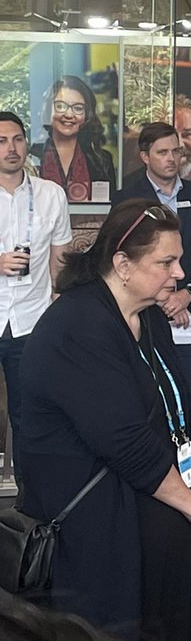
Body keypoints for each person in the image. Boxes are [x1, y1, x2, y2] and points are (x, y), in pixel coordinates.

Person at [19, 199, 191, 640]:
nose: (180, 273)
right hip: (101, 535)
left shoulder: (149, 317)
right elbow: (126, 443)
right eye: (167, 261)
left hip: (165, 515)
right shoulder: (79, 326)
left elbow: (186, 414)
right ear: (122, 263)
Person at [111, 123, 191, 483]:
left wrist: (186, 293)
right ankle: (162, 477)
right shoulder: (127, 197)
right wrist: (159, 298)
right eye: (163, 152)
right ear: (145, 156)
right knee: (147, 394)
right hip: (144, 312)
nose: (173, 158)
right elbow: (122, 255)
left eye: (177, 151)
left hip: (189, 311)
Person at [0, 112, 71, 493]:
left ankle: (31, 501)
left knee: (29, 415)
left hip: (32, 319)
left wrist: (61, 306)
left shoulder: (50, 194)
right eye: (1, 141)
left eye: (17, 140)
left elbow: (59, 258)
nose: (10, 149)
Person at [32, 75, 115, 202]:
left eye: (78, 108)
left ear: (87, 115)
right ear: (49, 109)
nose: (69, 114)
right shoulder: (32, 157)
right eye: (60, 106)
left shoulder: (102, 160)